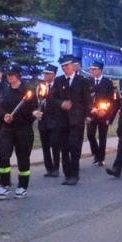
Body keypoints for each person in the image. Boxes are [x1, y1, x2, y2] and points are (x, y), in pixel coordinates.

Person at [0, 66, 35, 198]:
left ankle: (22, 186)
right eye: (8, 74)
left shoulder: (28, 91)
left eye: (12, 74)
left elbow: (33, 110)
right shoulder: (4, 91)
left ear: (18, 76)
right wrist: (4, 115)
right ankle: (4, 184)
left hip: (23, 129)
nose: (9, 77)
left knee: (23, 158)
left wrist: (32, 114)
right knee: (2, 155)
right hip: (7, 129)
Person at [49, 55, 90, 185]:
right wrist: (61, 103)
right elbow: (52, 98)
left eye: (67, 65)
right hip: (62, 120)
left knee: (74, 147)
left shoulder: (82, 80)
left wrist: (88, 115)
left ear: (73, 65)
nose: (65, 68)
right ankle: (67, 174)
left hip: (77, 120)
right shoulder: (59, 81)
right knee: (64, 148)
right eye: (63, 66)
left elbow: (87, 99)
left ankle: (75, 174)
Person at [86, 61, 117, 169]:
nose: (92, 71)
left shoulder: (107, 82)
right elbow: (87, 97)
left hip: (103, 113)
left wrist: (106, 111)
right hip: (92, 113)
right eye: (91, 69)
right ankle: (96, 153)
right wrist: (90, 109)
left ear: (100, 70)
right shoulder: (89, 81)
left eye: (94, 69)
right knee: (90, 134)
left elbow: (111, 100)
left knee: (102, 136)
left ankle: (101, 158)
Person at [34, 66, 62, 176]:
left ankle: (56, 168)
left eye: (48, 74)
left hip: (55, 120)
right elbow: (36, 101)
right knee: (45, 146)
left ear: (53, 75)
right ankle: (49, 168)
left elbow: (59, 102)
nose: (45, 76)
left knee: (55, 144)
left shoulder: (58, 86)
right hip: (43, 120)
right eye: (44, 73)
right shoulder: (40, 87)